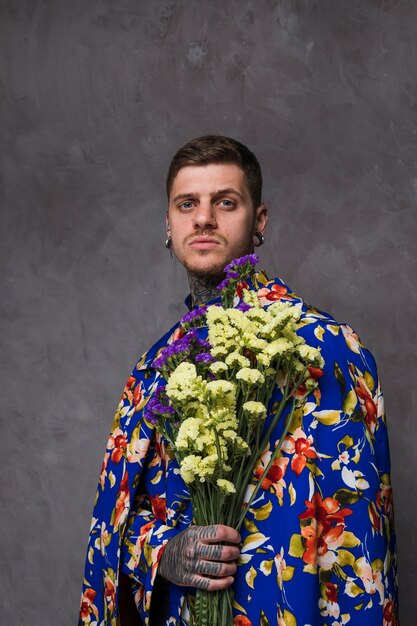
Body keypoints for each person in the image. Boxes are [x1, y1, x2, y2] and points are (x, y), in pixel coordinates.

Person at [79, 136, 398, 626]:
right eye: (188, 204)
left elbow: (359, 548)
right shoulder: (154, 368)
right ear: (169, 223)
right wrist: (162, 552)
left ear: (259, 221)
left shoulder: (325, 347)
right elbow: (119, 518)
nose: (204, 218)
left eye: (225, 202)